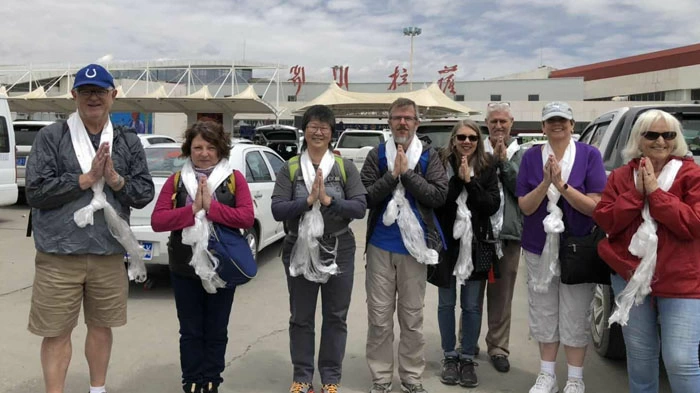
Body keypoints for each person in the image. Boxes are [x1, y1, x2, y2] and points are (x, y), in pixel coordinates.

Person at [25, 63, 155, 393]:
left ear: (113, 95)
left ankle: (97, 389)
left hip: (108, 251)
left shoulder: (126, 141)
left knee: (101, 326)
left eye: (99, 91)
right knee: (56, 332)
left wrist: (114, 179)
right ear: (74, 96)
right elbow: (36, 191)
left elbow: (143, 194)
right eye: (85, 92)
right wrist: (84, 180)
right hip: (59, 253)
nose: (92, 97)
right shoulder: (52, 137)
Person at [593, 110, 700, 393]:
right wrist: (635, 194)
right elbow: (607, 221)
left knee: (681, 360)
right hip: (630, 277)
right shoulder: (620, 176)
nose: (661, 141)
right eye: (652, 134)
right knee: (640, 360)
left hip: (681, 279)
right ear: (638, 140)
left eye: (668, 134)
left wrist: (655, 192)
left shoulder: (691, 174)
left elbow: (694, 224)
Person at [150, 121, 254, 393]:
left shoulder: (234, 179)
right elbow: (158, 220)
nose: (204, 153)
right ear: (189, 150)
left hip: (223, 266)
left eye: (210, 147)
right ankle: (192, 381)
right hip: (184, 267)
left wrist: (211, 208)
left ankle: (211, 380)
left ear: (221, 150)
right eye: (198, 147)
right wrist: (192, 209)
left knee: (217, 329)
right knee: (191, 330)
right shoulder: (176, 181)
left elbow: (246, 217)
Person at [271, 105, 367, 393]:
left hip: (339, 246)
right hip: (298, 245)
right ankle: (302, 376)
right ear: (304, 130)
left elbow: (360, 207)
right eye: (313, 125)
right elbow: (277, 209)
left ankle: (330, 378)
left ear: (331, 133)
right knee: (301, 316)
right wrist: (307, 200)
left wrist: (327, 201)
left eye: (324, 127)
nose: (318, 131)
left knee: (336, 316)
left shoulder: (343, 167)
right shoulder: (290, 167)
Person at [516, 102, 606, 393]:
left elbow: (595, 206)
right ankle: (547, 375)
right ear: (542, 127)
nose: (557, 125)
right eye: (551, 121)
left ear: (572, 125)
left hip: (578, 247)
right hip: (538, 246)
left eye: (563, 120)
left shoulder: (589, 155)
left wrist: (562, 186)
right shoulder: (531, 157)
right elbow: (526, 207)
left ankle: (575, 378)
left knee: (576, 310)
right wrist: (545, 183)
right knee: (543, 310)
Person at [360, 98, 448, 393]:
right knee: (379, 318)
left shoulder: (429, 156)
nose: (402, 123)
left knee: (412, 318)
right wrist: (392, 176)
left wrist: (407, 175)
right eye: (397, 118)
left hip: (415, 248)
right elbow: (366, 198)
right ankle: (381, 379)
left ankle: (411, 377)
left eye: (408, 118)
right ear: (389, 122)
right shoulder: (377, 155)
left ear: (416, 123)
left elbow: (438, 196)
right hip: (380, 246)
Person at [433, 120, 500, 388]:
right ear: (453, 139)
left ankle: (468, 357)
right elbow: (438, 203)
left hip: (476, 245)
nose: (466, 141)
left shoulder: (487, 166)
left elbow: (490, 206)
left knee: (471, 306)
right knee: (446, 304)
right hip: (447, 246)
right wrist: (456, 180)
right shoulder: (440, 163)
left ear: (478, 141)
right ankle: (449, 355)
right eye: (461, 136)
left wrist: (470, 183)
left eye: (472, 137)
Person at [481, 102, 524, 373]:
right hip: (478, 233)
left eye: (503, 122)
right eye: (494, 121)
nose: (498, 126)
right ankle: (466, 342)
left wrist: (504, 162)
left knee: (502, 294)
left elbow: (522, 188)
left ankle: (498, 347)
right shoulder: (476, 147)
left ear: (511, 124)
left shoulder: (523, 154)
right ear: (487, 123)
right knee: (472, 291)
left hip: (508, 234)